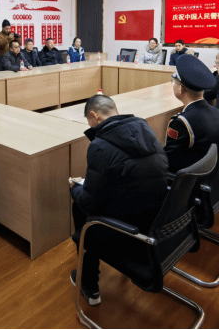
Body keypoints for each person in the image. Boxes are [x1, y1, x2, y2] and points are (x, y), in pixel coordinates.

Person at [69, 95, 169, 306]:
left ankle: (89, 284)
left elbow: (88, 202)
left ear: (94, 116)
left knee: (80, 208)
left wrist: (74, 187)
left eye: (89, 121)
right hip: (156, 220)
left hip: (126, 233)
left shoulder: (100, 146)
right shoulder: (145, 128)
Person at [165, 55, 219, 174]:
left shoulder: (182, 122)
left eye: (174, 82)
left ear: (181, 89)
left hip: (188, 179)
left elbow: (169, 161)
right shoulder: (216, 111)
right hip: (211, 173)